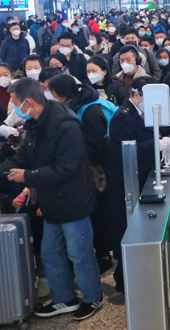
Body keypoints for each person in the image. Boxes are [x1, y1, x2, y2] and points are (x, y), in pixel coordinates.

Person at [0, 78, 103, 320]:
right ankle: (64, 298)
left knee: (79, 253)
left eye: (15, 102)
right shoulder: (35, 123)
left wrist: (28, 176)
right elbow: (21, 158)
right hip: (51, 201)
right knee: (50, 252)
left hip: (74, 200)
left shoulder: (66, 124)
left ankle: (93, 298)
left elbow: (67, 168)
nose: (14, 108)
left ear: (27, 102)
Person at [47, 74, 113, 274]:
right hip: (89, 168)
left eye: (52, 93)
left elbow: (95, 146)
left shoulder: (89, 111)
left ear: (62, 94)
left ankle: (103, 256)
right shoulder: (79, 103)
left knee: (98, 214)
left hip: (97, 171)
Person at [104, 75, 159, 293]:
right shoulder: (122, 117)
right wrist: (155, 144)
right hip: (127, 181)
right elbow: (123, 150)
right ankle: (124, 279)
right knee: (127, 229)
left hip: (143, 175)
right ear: (137, 95)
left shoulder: (144, 112)